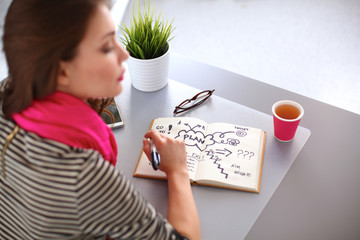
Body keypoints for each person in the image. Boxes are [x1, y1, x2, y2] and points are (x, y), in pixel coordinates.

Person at [0, 0, 200, 239]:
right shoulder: (83, 178)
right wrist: (178, 170)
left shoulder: (8, 89)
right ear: (62, 71)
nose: (124, 53)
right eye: (106, 47)